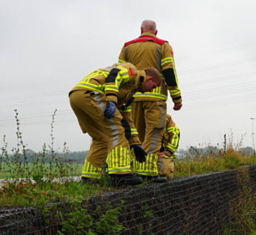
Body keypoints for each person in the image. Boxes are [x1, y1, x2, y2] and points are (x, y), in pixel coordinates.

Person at [69, 62, 162, 186]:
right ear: (149, 78)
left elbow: (127, 119)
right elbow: (114, 75)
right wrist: (112, 101)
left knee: (101, 138)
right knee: (117, 131)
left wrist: (135, 144)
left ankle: (89, 178)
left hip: (76, 96)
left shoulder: (130, 93)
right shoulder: (132, 72)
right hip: (91, 93)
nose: (151, 90)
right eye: (153, 86)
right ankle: (120, 175)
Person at [118, 20, 183, 182]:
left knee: (135, 134)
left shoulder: (127, 47)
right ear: (156, 32)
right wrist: (177, 97)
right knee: (154, 133)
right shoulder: (163, 45)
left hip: (132, 98)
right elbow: (169, 72)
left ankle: (135, 171)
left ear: (141, 30)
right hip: (156, 97)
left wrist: (121, 98)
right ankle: (147, 172)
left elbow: (120, 72)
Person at [157, 115, 181, 180]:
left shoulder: (166, 118)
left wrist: (168, 152)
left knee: (166, 176)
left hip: (162, 154)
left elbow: (175, 134)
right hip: (145, 155)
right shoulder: (138, 114)